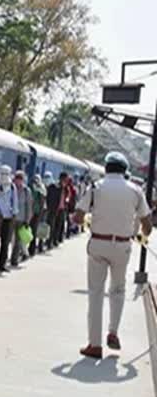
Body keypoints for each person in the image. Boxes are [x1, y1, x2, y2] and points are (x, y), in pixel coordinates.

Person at [74, 152, 152, 359]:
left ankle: (95, 345)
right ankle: (113, 332)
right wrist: (140, 233)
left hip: (99, 243)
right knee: (118, 290)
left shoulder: (96, 187)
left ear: (106, 168)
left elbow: (78, 216)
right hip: (123, 246)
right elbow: (148, 224)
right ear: (125, 171)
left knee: (96, 294)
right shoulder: (135, 190)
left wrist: (88, 220)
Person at [10, 170, 33, 266]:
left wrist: (27, 220)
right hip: (10, 218)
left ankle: (14, 259)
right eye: (17, 179)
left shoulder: (26, 191)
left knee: (18, 241)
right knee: (8, 239)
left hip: (21, 219)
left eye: (20, 179)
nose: (18, 181)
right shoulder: (10, 189)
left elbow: (29, 206)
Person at [29, 174, 47, 256]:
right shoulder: (29, 189)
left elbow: (42, 203)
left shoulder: (41, 190)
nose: (35, 183)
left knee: (34, 231)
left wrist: (40, 214)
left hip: (36, 213)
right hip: (29, 213)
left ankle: (32, 250)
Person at [45, 172, 62, 251]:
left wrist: (56, 210)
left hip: (52, 211)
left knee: (50, 227)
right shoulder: (42, 186)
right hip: (45, 210)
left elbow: (58, 200)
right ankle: (44, 243)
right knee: (43, 227)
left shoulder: (55, 188)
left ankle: (48, 242)